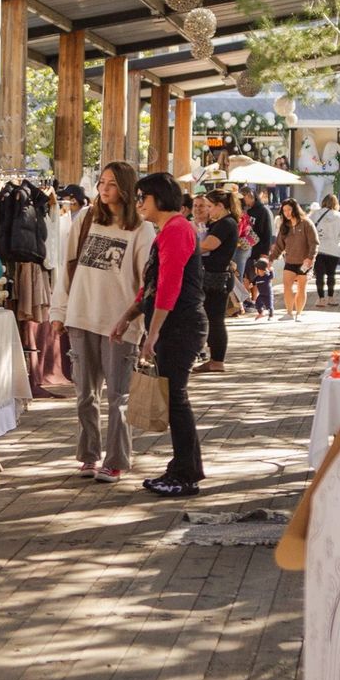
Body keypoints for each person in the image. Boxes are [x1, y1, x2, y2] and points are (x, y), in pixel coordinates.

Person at [49, 160, 154, 482]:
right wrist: (59, 312)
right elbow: (66, 267)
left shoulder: (142, 229)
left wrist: (138, 324)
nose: (103, 190)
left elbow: (145, 282)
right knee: (85, 395)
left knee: (118, 397)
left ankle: (117, 459)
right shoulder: (86, 218)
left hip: (119, 324)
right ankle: (89, 455)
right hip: (81, 316)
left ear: (125, 188)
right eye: (101, 183)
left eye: (110, 184)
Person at [113, 172, 206, 497]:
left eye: (143, 198)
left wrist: (152, 334)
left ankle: (185, 473)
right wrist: (128, 317)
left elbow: (169, 285)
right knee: (176, 399)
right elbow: (152, 286)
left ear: (159, 199)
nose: (138, 203)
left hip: (180, 327)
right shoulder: (168, 231)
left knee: (177, 400)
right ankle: (185, 469)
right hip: (173, 326)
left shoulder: (178, 229)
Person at [196, 188, 239, 372]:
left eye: (210, 206)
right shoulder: (223, 222)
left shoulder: (225, 224)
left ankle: (217, 360)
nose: (208, 210)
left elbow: (207, 245)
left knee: (215, 319)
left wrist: (185, 247)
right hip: (216, 275)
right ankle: (214, 358)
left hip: (217, 277)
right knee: (212, 317)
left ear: (220, 206)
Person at [269, 198, 319, 319]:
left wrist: (310, 257)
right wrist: (270, 259)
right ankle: (289, 313)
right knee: (287, 286)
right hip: (290, 261)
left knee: (301, 288)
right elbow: (279, 246)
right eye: (284, 210)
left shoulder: (306, 223)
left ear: (295, 209)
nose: (287, 213)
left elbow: (314, 243)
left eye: (289, 210)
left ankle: (299, 313)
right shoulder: (284, 227)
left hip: (305, 262)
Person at [313, 193, 340, 302]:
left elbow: (309, 229)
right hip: (334, 249)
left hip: (319, 248)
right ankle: (331, 297)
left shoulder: (316, 214)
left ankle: (321, 298)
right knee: (331, 274)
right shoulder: (339, 216)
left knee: (319, 275)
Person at [250, 254, 275, 318]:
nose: (255, 270)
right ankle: (261, 313)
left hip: (268, 294)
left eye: (256, 269)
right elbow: (253, 282)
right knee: (257, 304)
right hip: (261, 294)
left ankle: (271, 316)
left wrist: (271, 270)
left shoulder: (267, 276)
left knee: (269, 306)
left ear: (261, 269)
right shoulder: (257, 277)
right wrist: (251, 284)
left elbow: (272, 276)